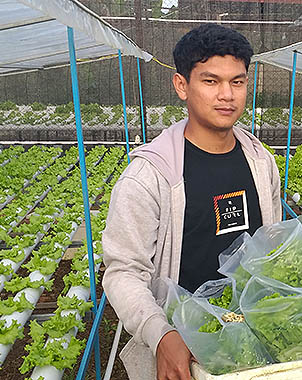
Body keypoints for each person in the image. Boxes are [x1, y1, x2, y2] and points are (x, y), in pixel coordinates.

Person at [102, 24, 281, 380]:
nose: (227, 95)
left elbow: (270, 245)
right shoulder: (149, 176)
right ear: (182, 86)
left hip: (257, 339)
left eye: (238, 82)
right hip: (185, 347)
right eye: (210, 81)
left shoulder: (261, 162)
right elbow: (122, 272)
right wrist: (161, 333)